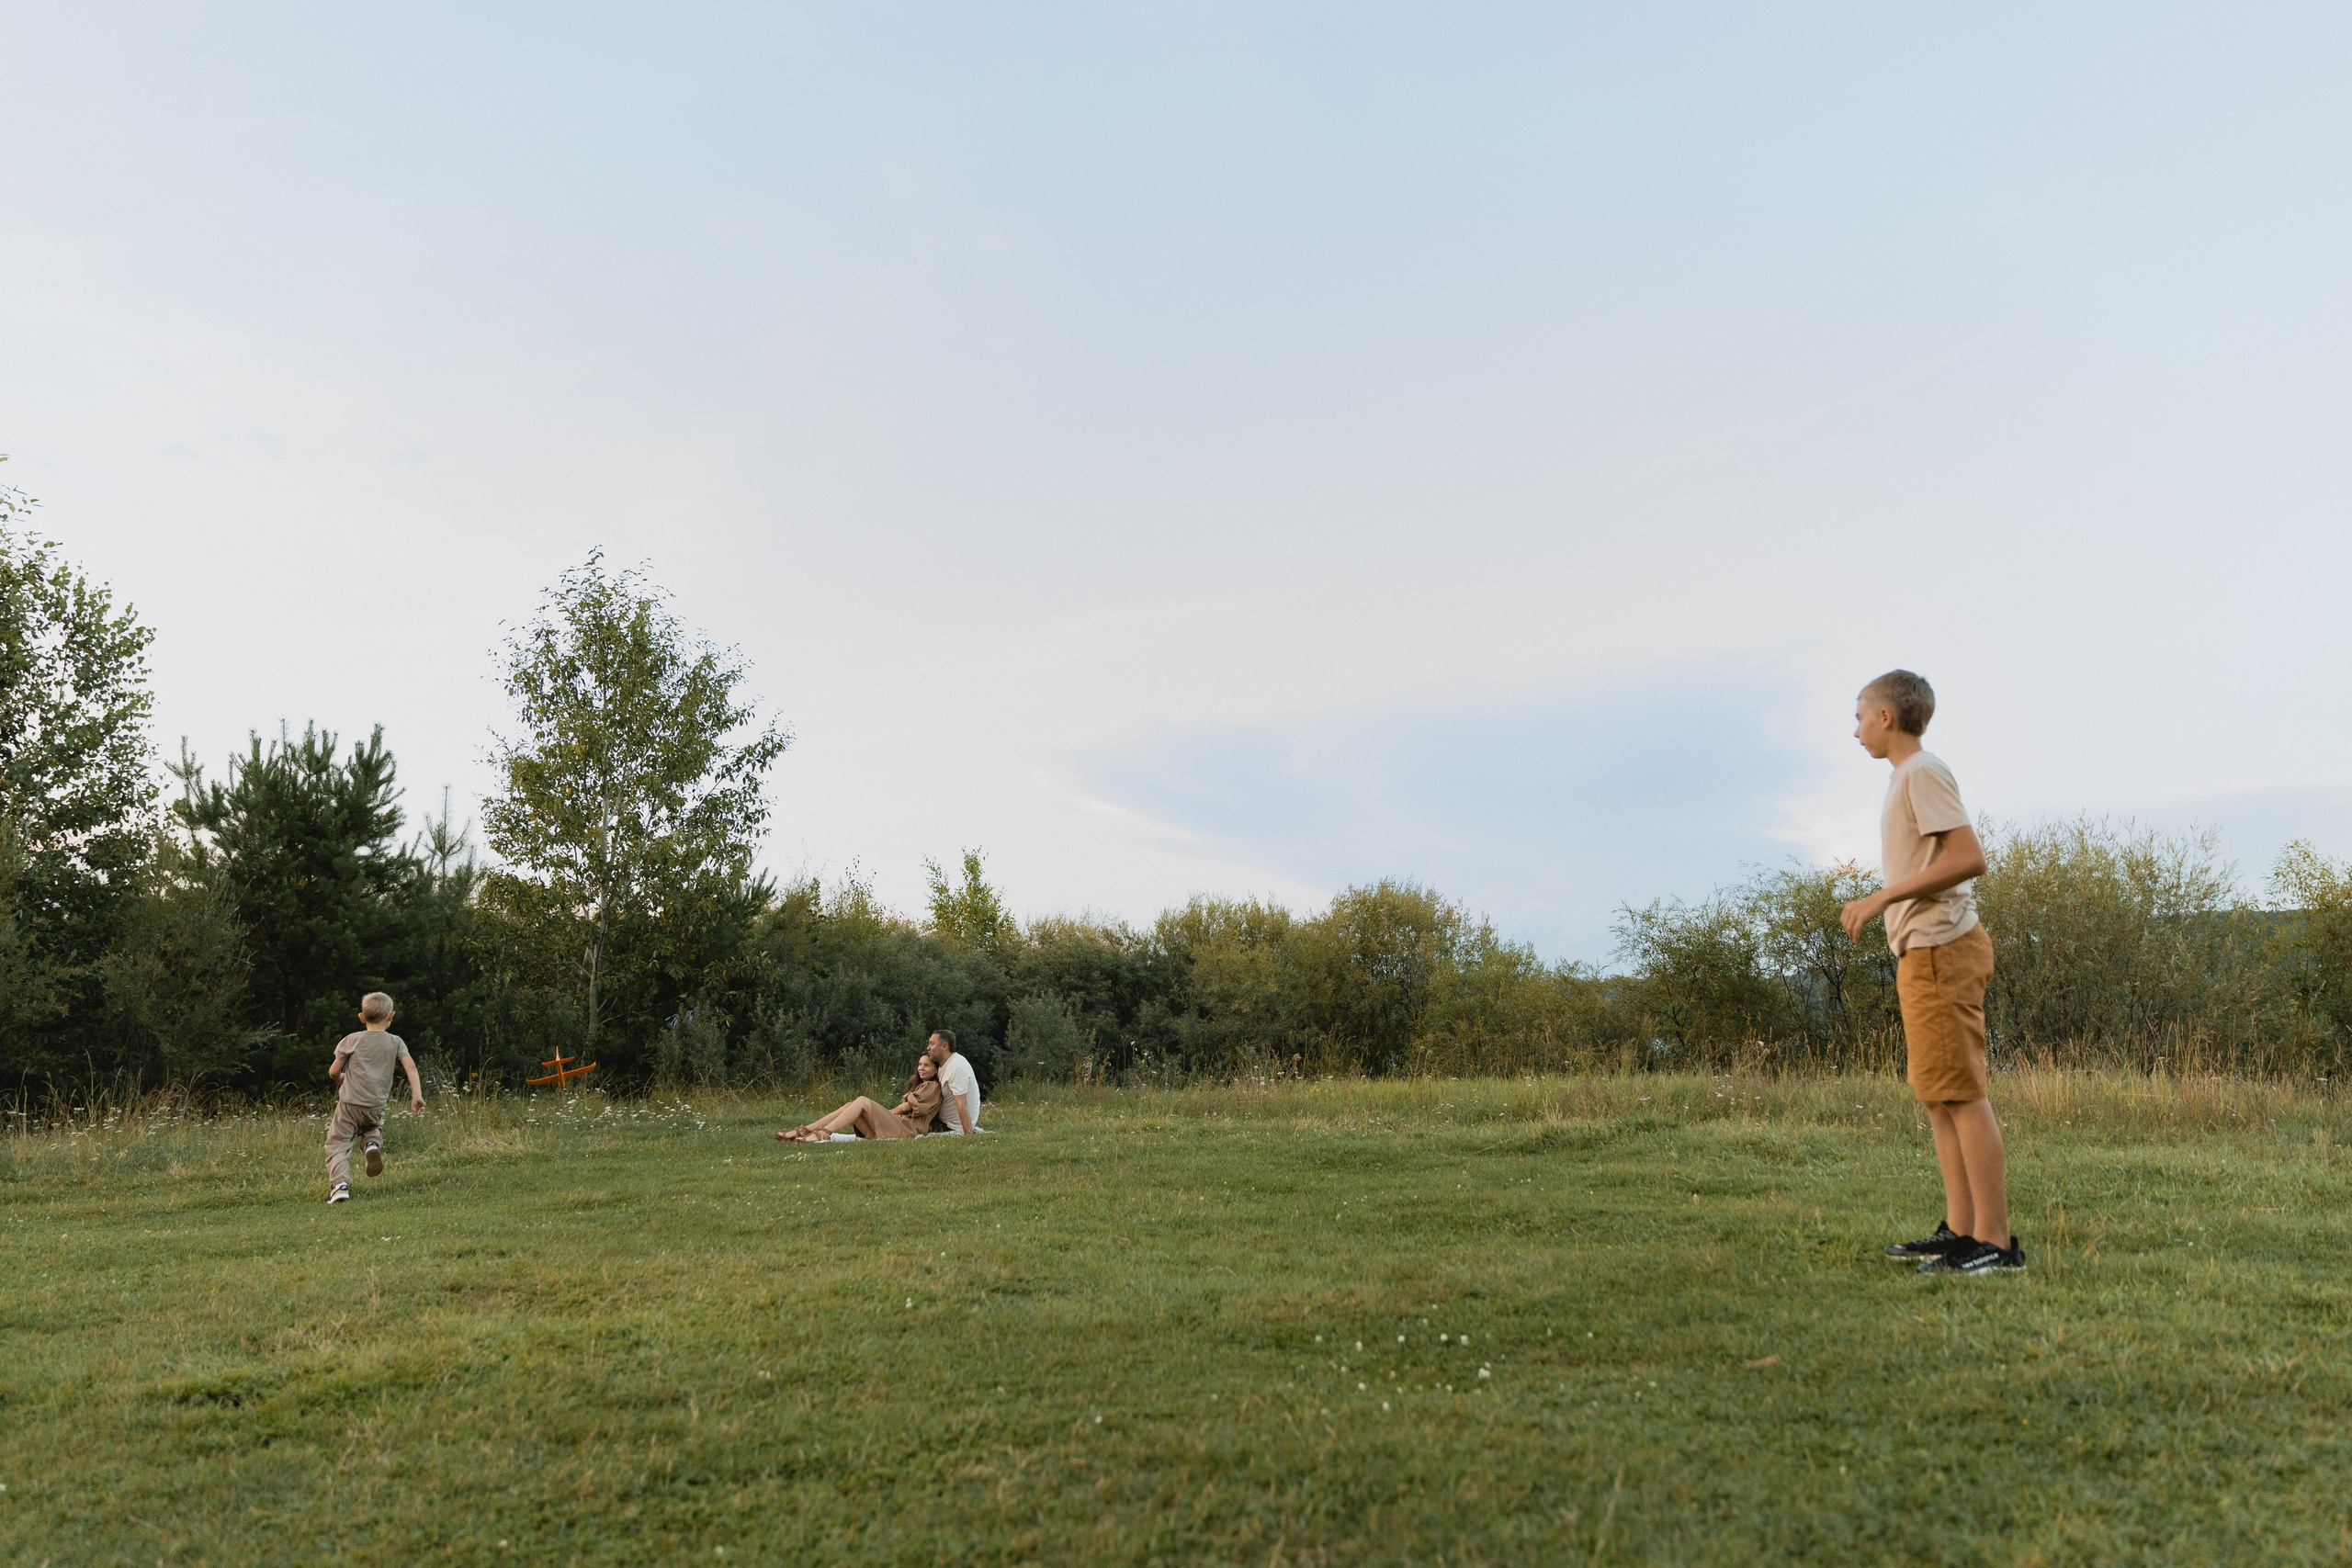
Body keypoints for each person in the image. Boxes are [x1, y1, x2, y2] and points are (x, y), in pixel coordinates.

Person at [1839, 670, 2022, 1275]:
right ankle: (1961, 1229)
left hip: (1944, 949)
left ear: (1887, 717)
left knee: (1963, 1094)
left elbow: (1969, 857)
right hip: (1923, 954)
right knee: (1939, 1096)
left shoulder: (1922, 772)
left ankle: (1996, 1242)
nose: (1857, 727)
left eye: (1861, 714)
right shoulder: (1906, 777)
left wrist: (1881, 897)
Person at [325, 991, 425, 1204]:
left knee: (338, 1143)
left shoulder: (351, 1040)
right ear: (391, 1016)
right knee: (371, 1127)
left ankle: (340, 1186)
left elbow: (333, 1072)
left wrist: (342, 1078)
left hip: (350, 1104)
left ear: (361, 1017)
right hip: (375, 1105)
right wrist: (416, 1095)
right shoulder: (396, 1042)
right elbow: (411, 1067)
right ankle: (371, 1145)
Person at [777, 1053, 945, 1143]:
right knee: (852, 1105)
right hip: (896, 1128)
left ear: (936, 1070)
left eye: (927, 1065)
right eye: (919, 1064)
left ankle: (823, 1133)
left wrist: (885, 1114)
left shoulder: (933, 1086)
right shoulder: (922, 1084)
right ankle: (805, 1130)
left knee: (863, 1101)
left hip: (907, 1130)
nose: (921, 1068)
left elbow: (905, 1108)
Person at [928, 1029, 982, 1135]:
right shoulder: (945, 1064)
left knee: (905, 1126)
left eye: (932, 1044)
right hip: (942, 1121)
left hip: (951, 1126)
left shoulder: (957, 1067)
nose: (928, 1048)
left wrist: (968, 1134)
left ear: (944, 1046)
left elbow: (961, 1103)